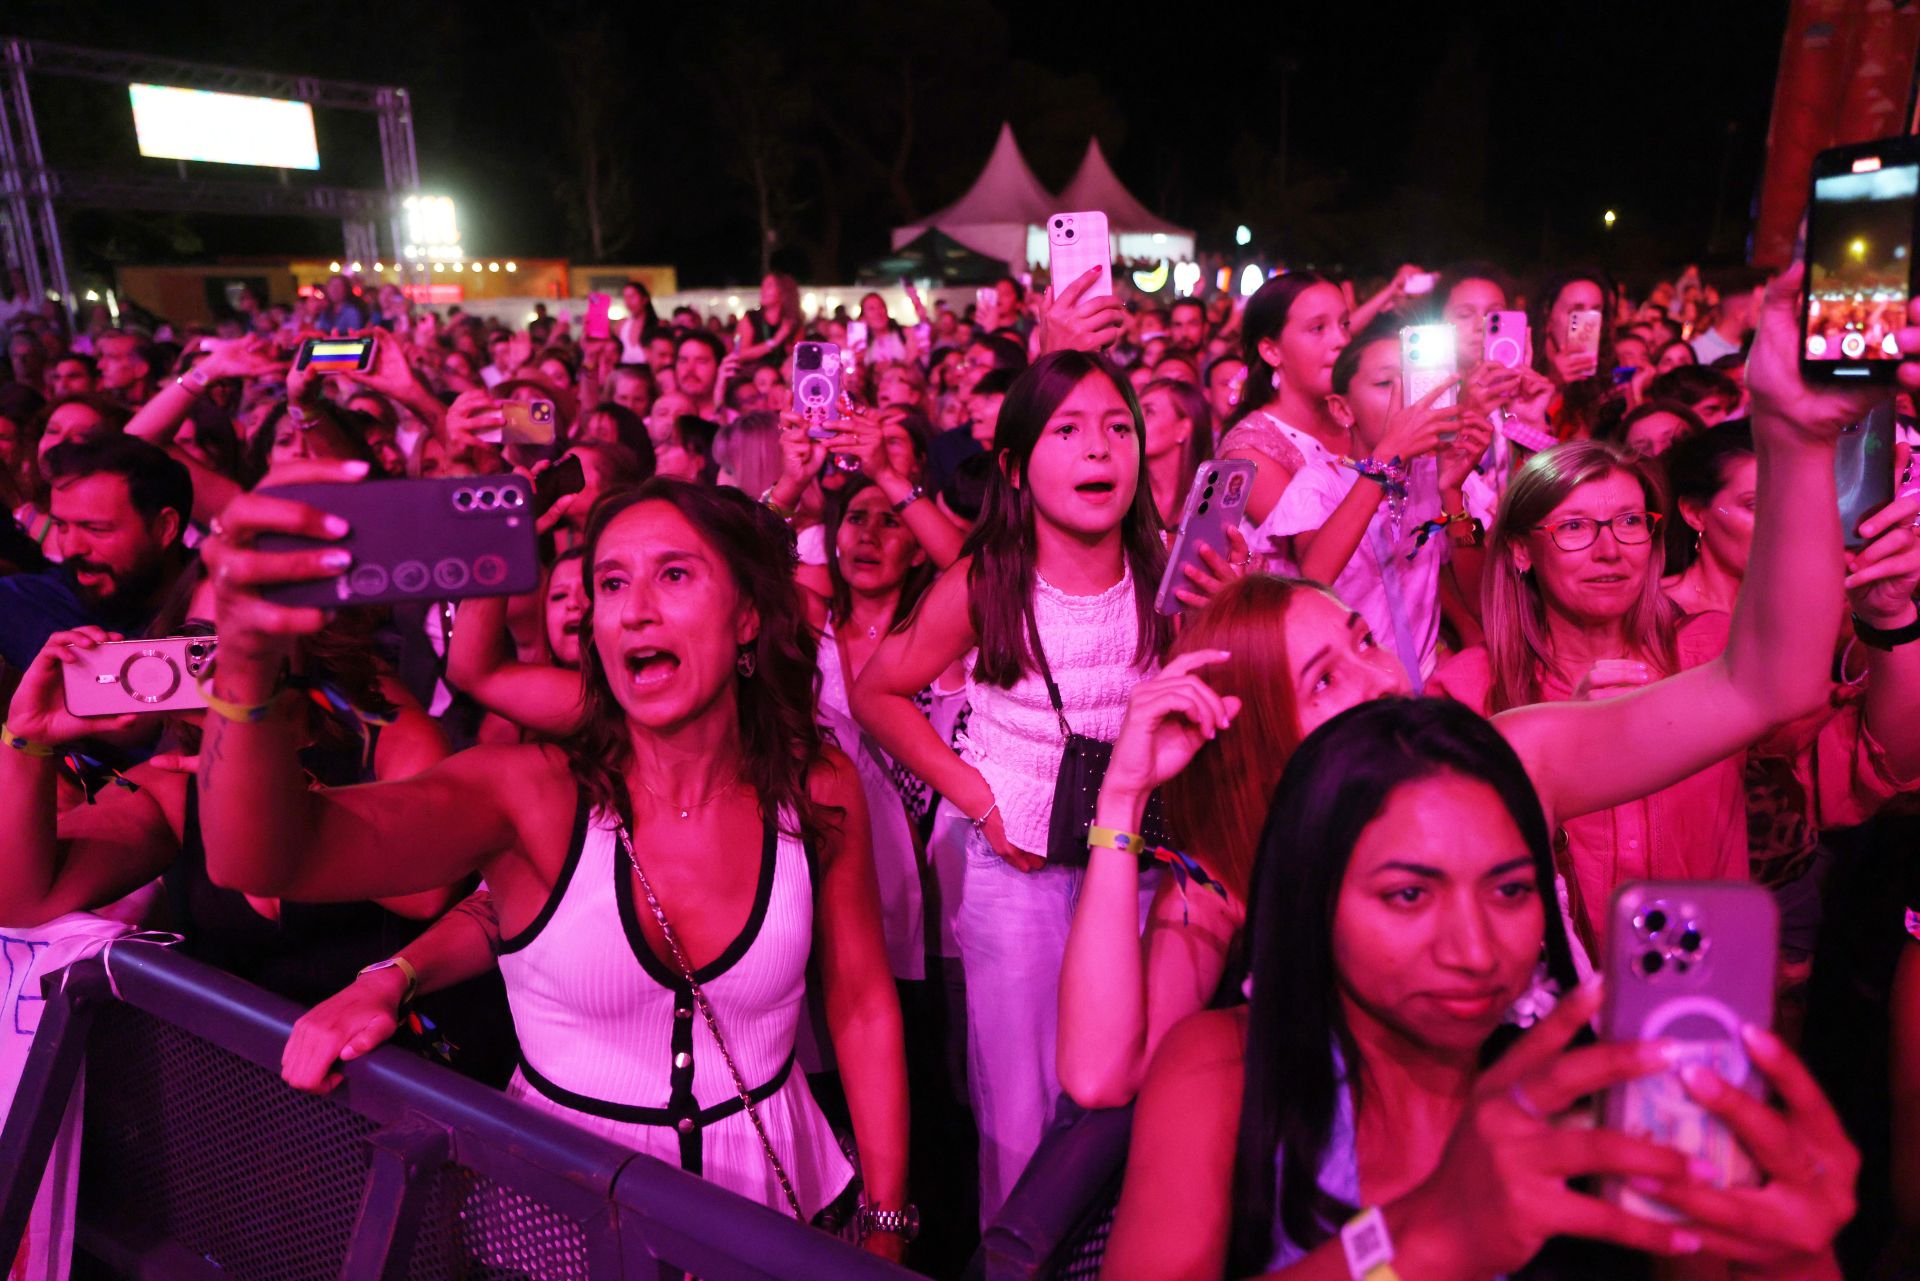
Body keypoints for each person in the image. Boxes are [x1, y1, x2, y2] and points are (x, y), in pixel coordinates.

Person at [1056, 263, 1910, 1107]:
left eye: (1362, 637)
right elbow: (1100, 1073)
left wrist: (1790, 433)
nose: (1384, 672)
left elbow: (1770, 683)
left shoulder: (1504, 758)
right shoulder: (1233, 875)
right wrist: (1122, 801)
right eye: (1325, 677)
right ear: (1266, 724)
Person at [193, 474, 913, 1255]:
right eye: (611, 582)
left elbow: (862, 1002)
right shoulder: (528, 793)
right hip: (560, 1226)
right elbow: (262, 856)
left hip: (780, 1216)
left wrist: (887, 1218)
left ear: (746, 615)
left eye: (674, 574)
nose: (636, 606)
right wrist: (245, 667)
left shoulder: (818, 785)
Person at [1102, 697, 1860, 1280]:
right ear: (1312, 894)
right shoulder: (1223, 1067)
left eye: (1508, 890)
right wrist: (1424, 1234)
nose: (1473, 950)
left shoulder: (1601, 1092)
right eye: (1409, 895)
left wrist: (1789, 1250)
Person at [850, 349, 1174, 1224]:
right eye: (1066, 430)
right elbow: (876, 692)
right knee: (1022, 1115)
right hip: (1018, 870)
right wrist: (981, 800)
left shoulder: (1169, 571)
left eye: (1117, 428)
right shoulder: (988, 577)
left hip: (1138, 867)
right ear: (1016, 467)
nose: (1097, 450)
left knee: (1133, 1095)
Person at [1257, 317, 1492, 685]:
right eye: (1385, 384)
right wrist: (1387, 459)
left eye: (1413, 381)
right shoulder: (1321, 483)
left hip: (1424, 685)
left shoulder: (1434, 474)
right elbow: (1316, 576)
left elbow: (1480, 599)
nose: (1405, 401)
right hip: (1351, 688)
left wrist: (1451, 492)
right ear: (1342, 410)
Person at [0, 437, 193, 672]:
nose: (71, 548)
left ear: (164, 528)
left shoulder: (219, 598)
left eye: (96, 529)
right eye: (61, 526)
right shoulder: (27, 602)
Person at [1219, 272, 1352, 531]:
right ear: (1271, 351)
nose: (1342, 341)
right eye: (1318, 328)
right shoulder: (1250, 453)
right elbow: (1319, 561)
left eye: (1345, 324)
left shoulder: (1357, 415)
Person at [1139, 377, 1216, 528]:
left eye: (1149, 412)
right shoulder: (1126, 496)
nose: (1134, 419)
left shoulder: (1208, 501)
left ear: (1182, 429)